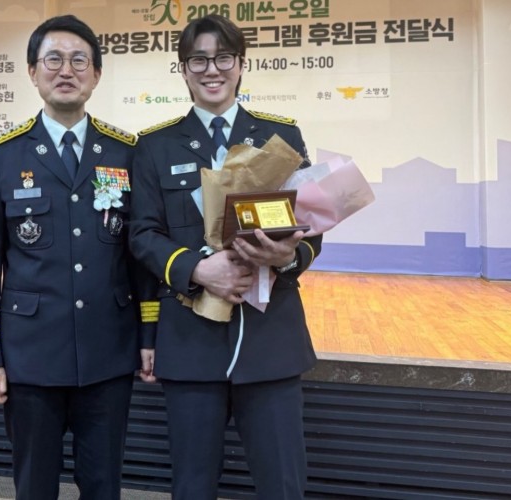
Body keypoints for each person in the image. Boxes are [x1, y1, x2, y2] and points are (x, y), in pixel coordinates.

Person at [129, 14, 323, 500]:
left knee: (283, 486)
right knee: (192, 486)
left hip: (270, 340)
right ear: (183, 68)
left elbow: (311, 228)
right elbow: (143, 235)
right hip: (190, 341)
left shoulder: (281, 137)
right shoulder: (154, 146)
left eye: (223, 58)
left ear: (241, 65)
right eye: (198, 60)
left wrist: (287, 255)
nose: (211, 69)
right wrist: (196, 269)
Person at [0, 15, 140, 500]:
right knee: (34, 487)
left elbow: (138, 256)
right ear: (32, 71)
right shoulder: (1, 156)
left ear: (96, 74)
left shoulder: (125, 153)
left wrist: (148, 338)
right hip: (30, 357)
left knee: (104, 486)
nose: (67, 70)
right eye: (54, 59)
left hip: (107, 353)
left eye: (79, 60)